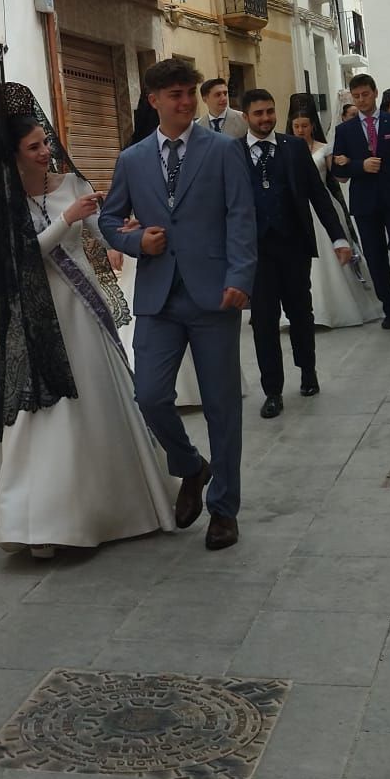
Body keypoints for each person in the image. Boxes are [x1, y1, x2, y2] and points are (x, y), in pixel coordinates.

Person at [0, 85, 174, 557]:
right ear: (14, 155)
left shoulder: (73, 185)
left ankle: (110, 508)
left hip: (83, 315)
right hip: (39, 318)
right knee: (45, 414)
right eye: (35, 147)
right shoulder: (2, 203)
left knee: (95, 403)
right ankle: (43, 521)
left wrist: (124, 234)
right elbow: (22, 258)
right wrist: (67, 219)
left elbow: (103, 230)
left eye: (46, 141)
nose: (46, 151)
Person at [99, 59, 256, 554]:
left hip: (214, 295)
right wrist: (134, 242)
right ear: (153, 100)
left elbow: (241, 217)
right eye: (175, 95)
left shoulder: (226, 150)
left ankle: (224, 509)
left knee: (221, 407)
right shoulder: (133, 159)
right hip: (158, 297)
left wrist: (239, 277)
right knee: (149, 396)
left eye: (190, 92)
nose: (186, 101)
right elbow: (109, 221)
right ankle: (191, 466)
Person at [242, 91, 352, 419]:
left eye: (269, 111)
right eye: (258, 113)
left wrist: (338, 238)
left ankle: (308, 371)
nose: (265, 118)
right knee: (263, 322)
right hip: (256, 254)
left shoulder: (293, 149)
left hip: (293, 248)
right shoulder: (232, 153)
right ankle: (272, 390)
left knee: (301, 314)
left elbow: (319, 196)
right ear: (246, 117)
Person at [330, 74, 390, 329]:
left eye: (365, 94)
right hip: (365, 203)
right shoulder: (345, 130)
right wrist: (359, 165)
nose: (361, 100)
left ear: (375, 92)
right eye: (356, 96)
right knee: (375, 257)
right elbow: (339, 170)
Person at [290, 110, 377, 328]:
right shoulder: (287, 149)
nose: (301, 130)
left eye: (305, 126)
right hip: (297, 208)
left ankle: (338, 305)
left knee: (330, 253)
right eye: (296, 126)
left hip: (323, 206)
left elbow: (338, 177)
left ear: (312, 127)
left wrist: (343, 162)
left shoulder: (323, 148)